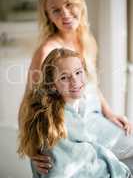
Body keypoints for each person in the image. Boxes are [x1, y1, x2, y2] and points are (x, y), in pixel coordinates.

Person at [19, 0, 133, 175]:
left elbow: (92, 84)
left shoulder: (86, 40)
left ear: (79, 4)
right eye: (55, 10)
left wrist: (110, 113)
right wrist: (31, 150)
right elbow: (29, 103)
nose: (64, 13)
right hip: (75, 123)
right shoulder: (48, 51)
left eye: (69, 4)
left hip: (94, 115)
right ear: (48, 17)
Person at [18, 48, 132, 178]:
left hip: (90, 118)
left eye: (78, 73)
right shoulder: (58, 120)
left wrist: (109, 113)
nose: (75, 81)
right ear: (52, 85)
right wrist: (32, 150)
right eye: (64, 77)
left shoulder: (85, 43)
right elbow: (61, 167)